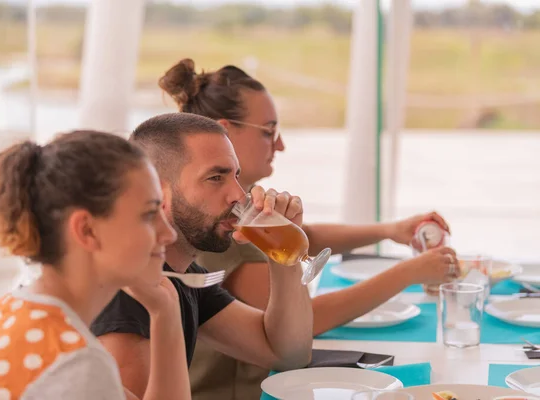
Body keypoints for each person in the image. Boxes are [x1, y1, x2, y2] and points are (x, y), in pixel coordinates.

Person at [158, 58, 459, 400]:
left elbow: (304, 246)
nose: (281, 144)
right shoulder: (211, 233)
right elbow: (304, 322)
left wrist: (388, 230)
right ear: (226, 130)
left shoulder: (195, 271)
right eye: (269, 130)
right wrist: (407, 272)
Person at [0, 131, 190, 400]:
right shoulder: (76, 365)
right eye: (149, 214)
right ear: (87, 230)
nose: (169, 234)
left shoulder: (4, 312)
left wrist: (165, 313)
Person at [90, 113, 314, 399]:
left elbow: (287, 353)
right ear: (154, 189)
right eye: (215, 178)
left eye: (235, 176)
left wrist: (283, 253)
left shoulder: (181, 274)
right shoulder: (127, 299)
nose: (238, 194)